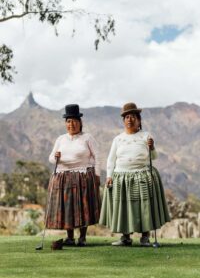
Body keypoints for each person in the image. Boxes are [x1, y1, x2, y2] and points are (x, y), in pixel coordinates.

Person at [99, 102, 170, 246]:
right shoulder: (118, 139)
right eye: (126, 117)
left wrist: (152, 147)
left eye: (132, 117)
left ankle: (145, 237)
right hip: (121, 177)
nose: (129, 120)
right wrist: (108, 176)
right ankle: (125, 238)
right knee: (124, 206)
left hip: (142, 175)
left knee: (144, 206)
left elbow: (154, 157)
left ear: (139, 120)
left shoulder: (146, 136)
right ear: (123, 121)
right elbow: (111, 160)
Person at [46, 104, 101, 248]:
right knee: (67, 207)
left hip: (83, 176)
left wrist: (97, 175)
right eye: (69, 121)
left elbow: (97, 157)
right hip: (63, 177)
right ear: (65, 123)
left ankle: (82, 237)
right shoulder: (61, 139)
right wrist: (56, 156)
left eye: (75, 121)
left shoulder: (87, 138)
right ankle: (69, 237)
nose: (72, 124)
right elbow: (51, 158)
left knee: (83, 207)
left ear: (80, 122)